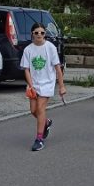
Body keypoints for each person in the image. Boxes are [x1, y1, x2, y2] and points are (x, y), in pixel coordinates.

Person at [22, 22, 66, 151]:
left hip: (47, 83)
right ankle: (46, 122)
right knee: (33, 111)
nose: (39, 35)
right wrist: (31, 86)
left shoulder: (50, 47)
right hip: (34, 84)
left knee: (40, 109)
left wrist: (61, 86)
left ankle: (39, 139)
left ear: (45, 34)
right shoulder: (28, 49)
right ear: (32, 34)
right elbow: (26, 70)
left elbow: (58, 69)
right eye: (37, 33)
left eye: (42, 32)